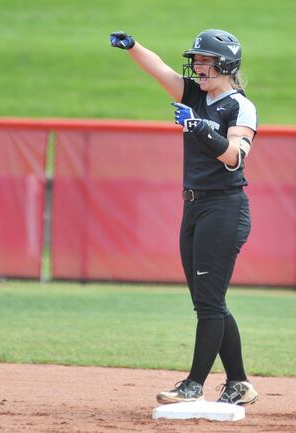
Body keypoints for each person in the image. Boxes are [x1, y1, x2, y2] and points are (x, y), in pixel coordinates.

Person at [110, 29, 258, 406]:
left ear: (226, 65)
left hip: (225, 207)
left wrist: (203, 129)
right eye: (197, 60)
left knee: (209, 302)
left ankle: (194, 384)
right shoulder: (194, 94)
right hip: (194, 206)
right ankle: (239, 383)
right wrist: (133, 47)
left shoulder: (239, 106)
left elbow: (235, 157)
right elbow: (158, 69)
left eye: (206, 61)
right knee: (208, 301)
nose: (198, 66)